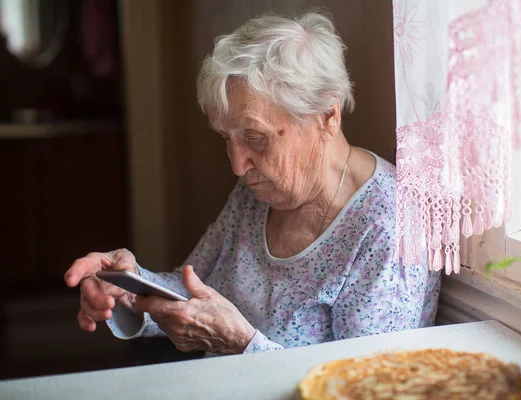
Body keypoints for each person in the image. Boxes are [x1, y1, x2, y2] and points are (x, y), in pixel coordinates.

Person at [64, 11, 440, 356]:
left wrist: (242, 346)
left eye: (255, 138)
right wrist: (128, 286)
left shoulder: (389, 225)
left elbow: (365, 388)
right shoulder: (259, 190)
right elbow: (193, 288)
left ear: (327, 116)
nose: (237, 165)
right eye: (226, 137)